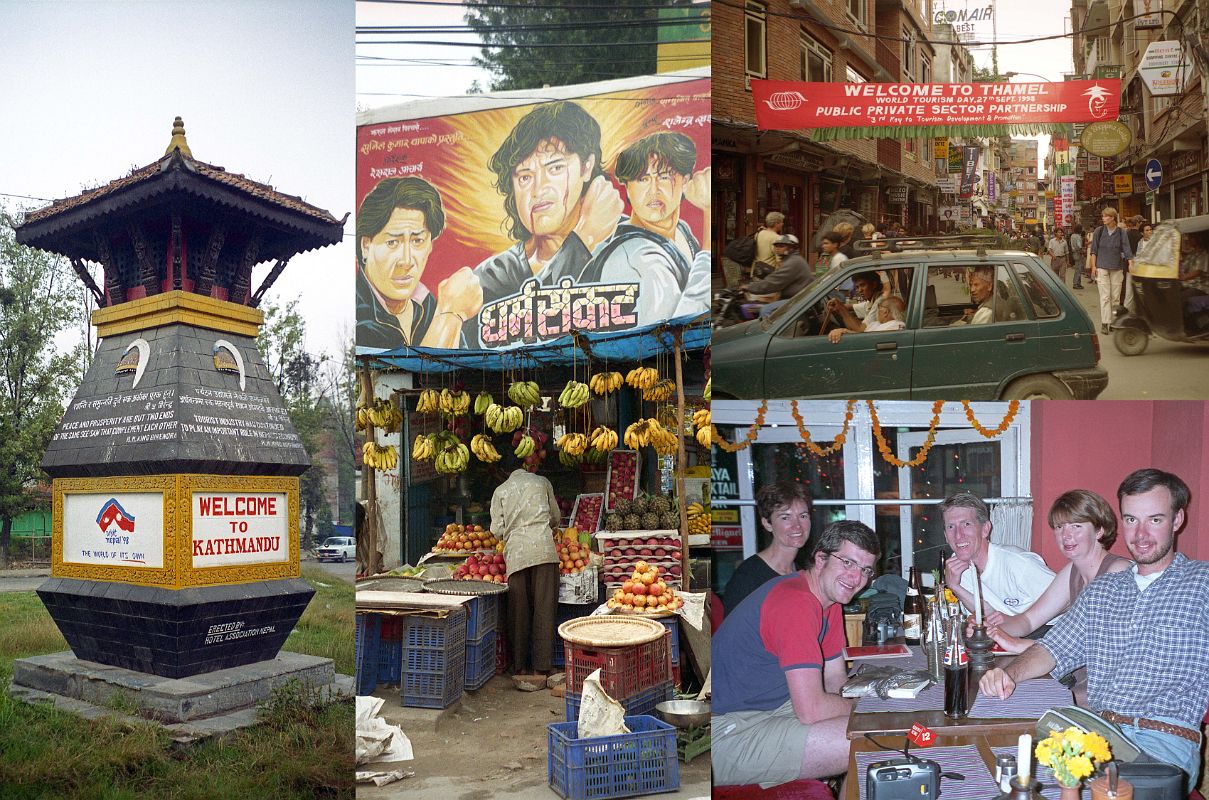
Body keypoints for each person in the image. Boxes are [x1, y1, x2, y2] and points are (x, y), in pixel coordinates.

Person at [980, 469, 1209, 789]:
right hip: (1097, 733)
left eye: (1154, 520)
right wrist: (1010, 675)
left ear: (1177, 519)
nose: (1141, 534)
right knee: (1009, 775)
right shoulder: (1103, 591)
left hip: (1162, 746)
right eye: (1131, 520)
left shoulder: (1201, 583)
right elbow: (1051, 648)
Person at [713, 521, 880, 787]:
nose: (856, 578)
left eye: (865, 570)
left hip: (770, 707)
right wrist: (867, 709)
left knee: (879, 722)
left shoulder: (830, 600)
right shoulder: (796, 603)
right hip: (725, 732)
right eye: (847, 563)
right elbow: (811, 710)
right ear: (821, 558)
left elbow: (835, 681)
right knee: (870, 736)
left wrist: (873, 702)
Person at [469, 101, 624, 345]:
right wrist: (583, 240)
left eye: (555, 168)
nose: (538, 189)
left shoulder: (629, 246)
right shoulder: (494, 276)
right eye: (524, 176)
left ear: (586, 167)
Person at [580, 131, 711, 321]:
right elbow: (680, 331)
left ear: (685, 180)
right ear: (627, 187)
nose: (653, 190)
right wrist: (708, 214)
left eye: (664, 176)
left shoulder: (681, 230)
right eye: (642, 179)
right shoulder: (638, 258)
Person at [356, 176, 482, 350]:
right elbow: (421, 374)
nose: (406, 261)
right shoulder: (358, 318)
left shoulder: (427, 306)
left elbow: (462, 372)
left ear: (430, 243)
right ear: (366, 246)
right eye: (392, 243)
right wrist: (450, 315)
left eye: (417, 241)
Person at [490, 463, 561, 684]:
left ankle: (520, 667)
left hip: (517, 555)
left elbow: (497, 530)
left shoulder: (500, 490)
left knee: (518, 611)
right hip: (544, 550)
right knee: (544, 608)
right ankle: (541, 668)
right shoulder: (542, 482)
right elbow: (555, 517)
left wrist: (513, 532)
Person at [940, 491, 1056, 622]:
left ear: (985, 529)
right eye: (951, 527)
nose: (958, 535)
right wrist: (955, 586)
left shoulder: (1018, 563)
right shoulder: (958, 568)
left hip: (1049, 632)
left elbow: (1068, 599)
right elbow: (988, 614)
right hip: (1007, 635)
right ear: (945, 536)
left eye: (966, 524)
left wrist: (1019, 623)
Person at [721, 482, 812, 616]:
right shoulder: (748, 578)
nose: (797, 526)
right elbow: (734, 634)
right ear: (767, 524)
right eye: (785, 517)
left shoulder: (800, 571)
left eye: (803, 516)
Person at [1087, 207, 1134, 335]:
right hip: (1102, 267)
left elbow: (1126, 248)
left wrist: (1130, 263)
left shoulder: (1121, 232)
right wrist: (1093, 267)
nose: (1103, 218)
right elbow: (1093, 250)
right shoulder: (1099, 231)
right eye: (1103, 216)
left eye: (1106, 216)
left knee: (1115, 298)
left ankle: (1114, 322)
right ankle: (1105, 323)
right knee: (1105, 297)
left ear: (1112, 217)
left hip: (1117, 268)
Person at [747, 234, 811, 318]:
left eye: (781, 246)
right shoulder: (790, 260)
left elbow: (773, 282)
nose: (777, 248)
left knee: (766, 309)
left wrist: (749, 287)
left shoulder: (793, 262)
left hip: (796, 300)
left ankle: (767, 331)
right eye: (776, 246)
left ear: (792, 247)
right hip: (794, 298)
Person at [827, 295, 905, 342]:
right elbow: (863, 335)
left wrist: (844, 331)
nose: (877, 310)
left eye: (879, 307)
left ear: (885, 312)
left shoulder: (894, 327)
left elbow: (868, 340)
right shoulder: (878, 324)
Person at [1069, 223, 1086, 289]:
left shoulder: (1072, 236)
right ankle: (1076, 283)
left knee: (1078, 269)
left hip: (1074, 253)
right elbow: (1079, 246)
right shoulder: (1078, 237)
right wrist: (1083, 251)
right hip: (1078, 253)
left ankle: (1078, 283)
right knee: (1078, 270)